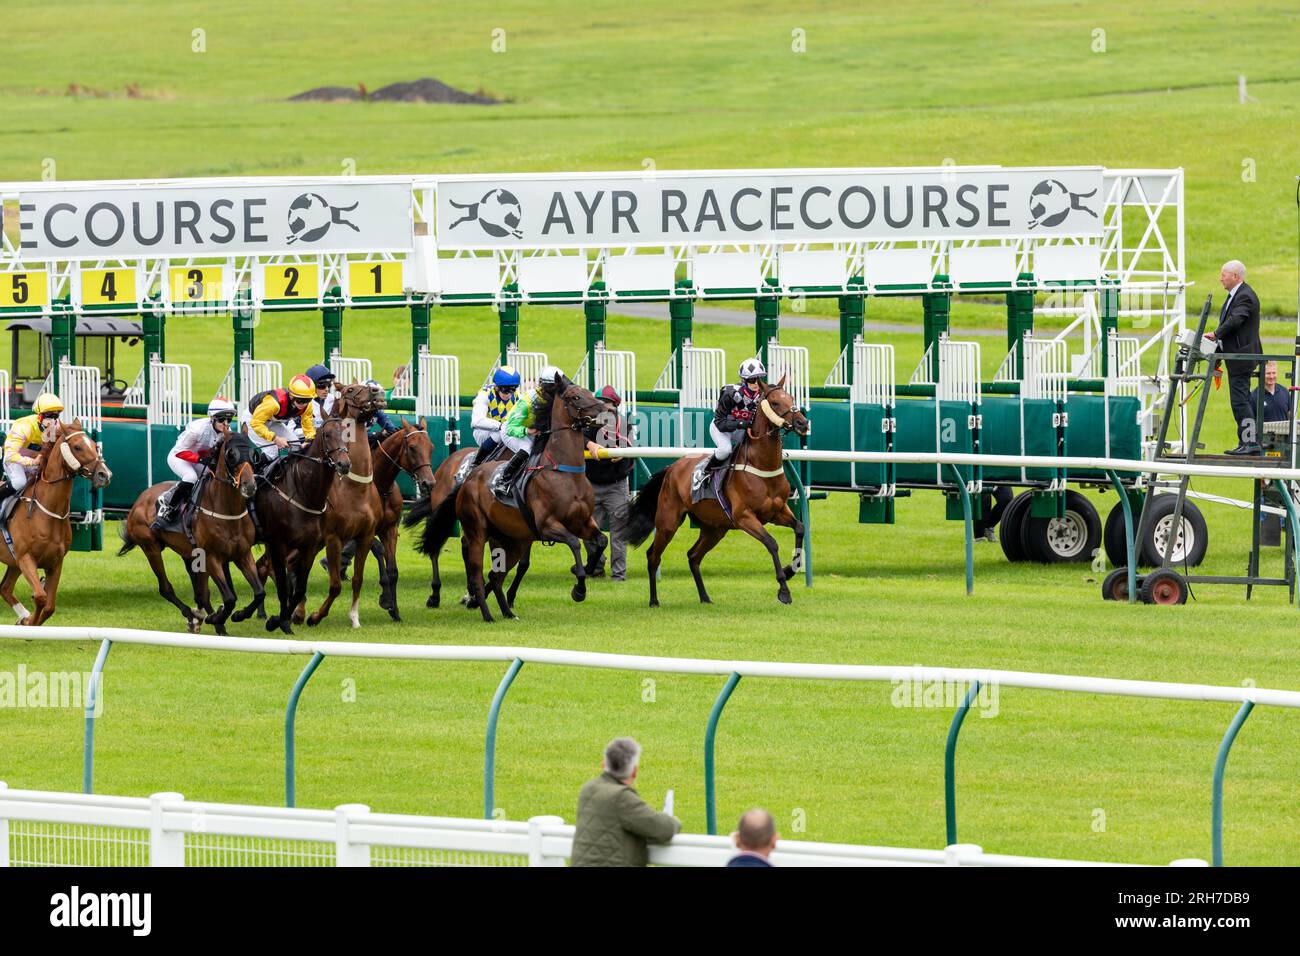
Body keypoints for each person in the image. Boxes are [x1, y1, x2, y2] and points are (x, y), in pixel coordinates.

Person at [571, 737, 680, 867]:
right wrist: (674, 821)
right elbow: (664, 828)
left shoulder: (587, 790)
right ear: (634, 771)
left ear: (603, 764)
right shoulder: (621, 797)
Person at [1204, 260, 1262, 455]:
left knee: (1240, 401)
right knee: (1242, 399)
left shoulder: (1245, 296)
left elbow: (1236, 320)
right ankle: (1246, 441)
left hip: (1242, 356)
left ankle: (1250, 442)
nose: (1221, 278)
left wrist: (1216, 334)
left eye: (1224, 274)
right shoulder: (1236, 295)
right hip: (1237, 356)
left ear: (1235, 276)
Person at [152, 397, 236, 528]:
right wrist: (201, 459)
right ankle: (167, 504)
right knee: (191, 477)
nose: (225, 423)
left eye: (229, 420)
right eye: (221, 419)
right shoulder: (197, 429)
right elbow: (179, 451)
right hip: (179, 458)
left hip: (198, 459)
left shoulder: (227, 432)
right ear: (212, 418)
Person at [583, 386, 634, 580]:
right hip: (590, 486)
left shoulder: (625, 425)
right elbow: (577, 437)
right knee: (587, 531)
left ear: (615, 405)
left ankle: (618, 576)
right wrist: (589, 444)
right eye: (600, 402)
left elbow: (631, 450)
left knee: (618, 534)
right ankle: (597, 567)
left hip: (617, 486)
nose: (604, 406)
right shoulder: (588, 421)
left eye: (607, 403)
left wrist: (623, 453)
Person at [491, 365, 564, 495]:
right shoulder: (528, 400)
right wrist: (526, 431)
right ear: (544, 386)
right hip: (513, 431)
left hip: (536, 432)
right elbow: (511, 428)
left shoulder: (557, 398)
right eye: (553, 387)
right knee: (528, 448)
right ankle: (504, 480)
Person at [707, 358, 766, 477]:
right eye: (752, 379)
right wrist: (739, 424)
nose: (756, 383)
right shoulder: (730, 393)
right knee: (725, 450)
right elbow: (719, 422)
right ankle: (706, 472)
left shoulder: (763, 395)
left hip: (741, 431)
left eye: (759, 379)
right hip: (722, 428)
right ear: (743, 380)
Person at [0, 393, 64, 503]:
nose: (52, 420)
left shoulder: (53, 428)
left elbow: (48, 451)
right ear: (40, 415)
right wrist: (32, 461)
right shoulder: (23, 426)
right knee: (20, 482)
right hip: (14, 461)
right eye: (49, 415)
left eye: (55, 416)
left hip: (34, 462)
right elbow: (10, 455)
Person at [248, 374, 317, 461]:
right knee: (273, 451)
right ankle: (256, 472)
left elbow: (308, 424)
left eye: (307, 400)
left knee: (295, 446)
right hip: (253, 420)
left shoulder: (307, 406)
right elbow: (256, 423)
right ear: (291, 396)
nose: (303, 404)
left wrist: (309, 440)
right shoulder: (273, 403)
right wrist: (275, 438)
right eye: (300, 400)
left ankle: (283, 469)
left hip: (273, 421)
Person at [469, 365, 521, 466]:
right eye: (506, 390)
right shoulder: (484, 395)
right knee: (501, 433)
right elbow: (476, 421)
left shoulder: (517, 396)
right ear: (497, 387)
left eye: (513, 389)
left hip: (505, 430)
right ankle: (476, 462)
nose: (509, 394)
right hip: (484, 432)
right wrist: (501, 426)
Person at [1250, 360, 1291, 425]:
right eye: (1268, 373)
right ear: (1262, 374)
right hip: (1263, 435)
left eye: (1274, 373)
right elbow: (1251, 422)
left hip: (1284, 434)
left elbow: (1290, 416)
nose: (1271, 376)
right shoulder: (1253, 396)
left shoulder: (1285, 391)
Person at [305, 363, 337, 429]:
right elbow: (293, 431)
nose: (327, 389)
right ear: (311, 386)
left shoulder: (333, 399)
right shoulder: (302, 402)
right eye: (322, 385)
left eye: (329, 385)